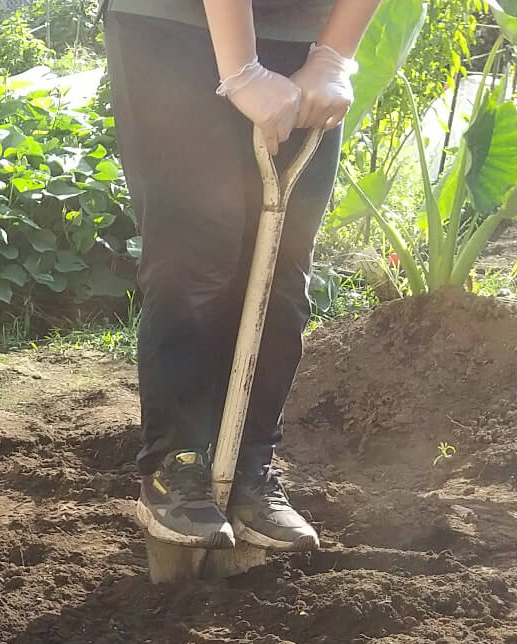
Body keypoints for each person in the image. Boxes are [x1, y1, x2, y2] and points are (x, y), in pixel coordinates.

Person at [101, 0, 382, 549]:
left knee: (282, 272)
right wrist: (241, 70)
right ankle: (176, 465)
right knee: (195, 259)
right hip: (174, 26)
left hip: (302, 32)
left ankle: (251, 468)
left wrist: (331, 56)